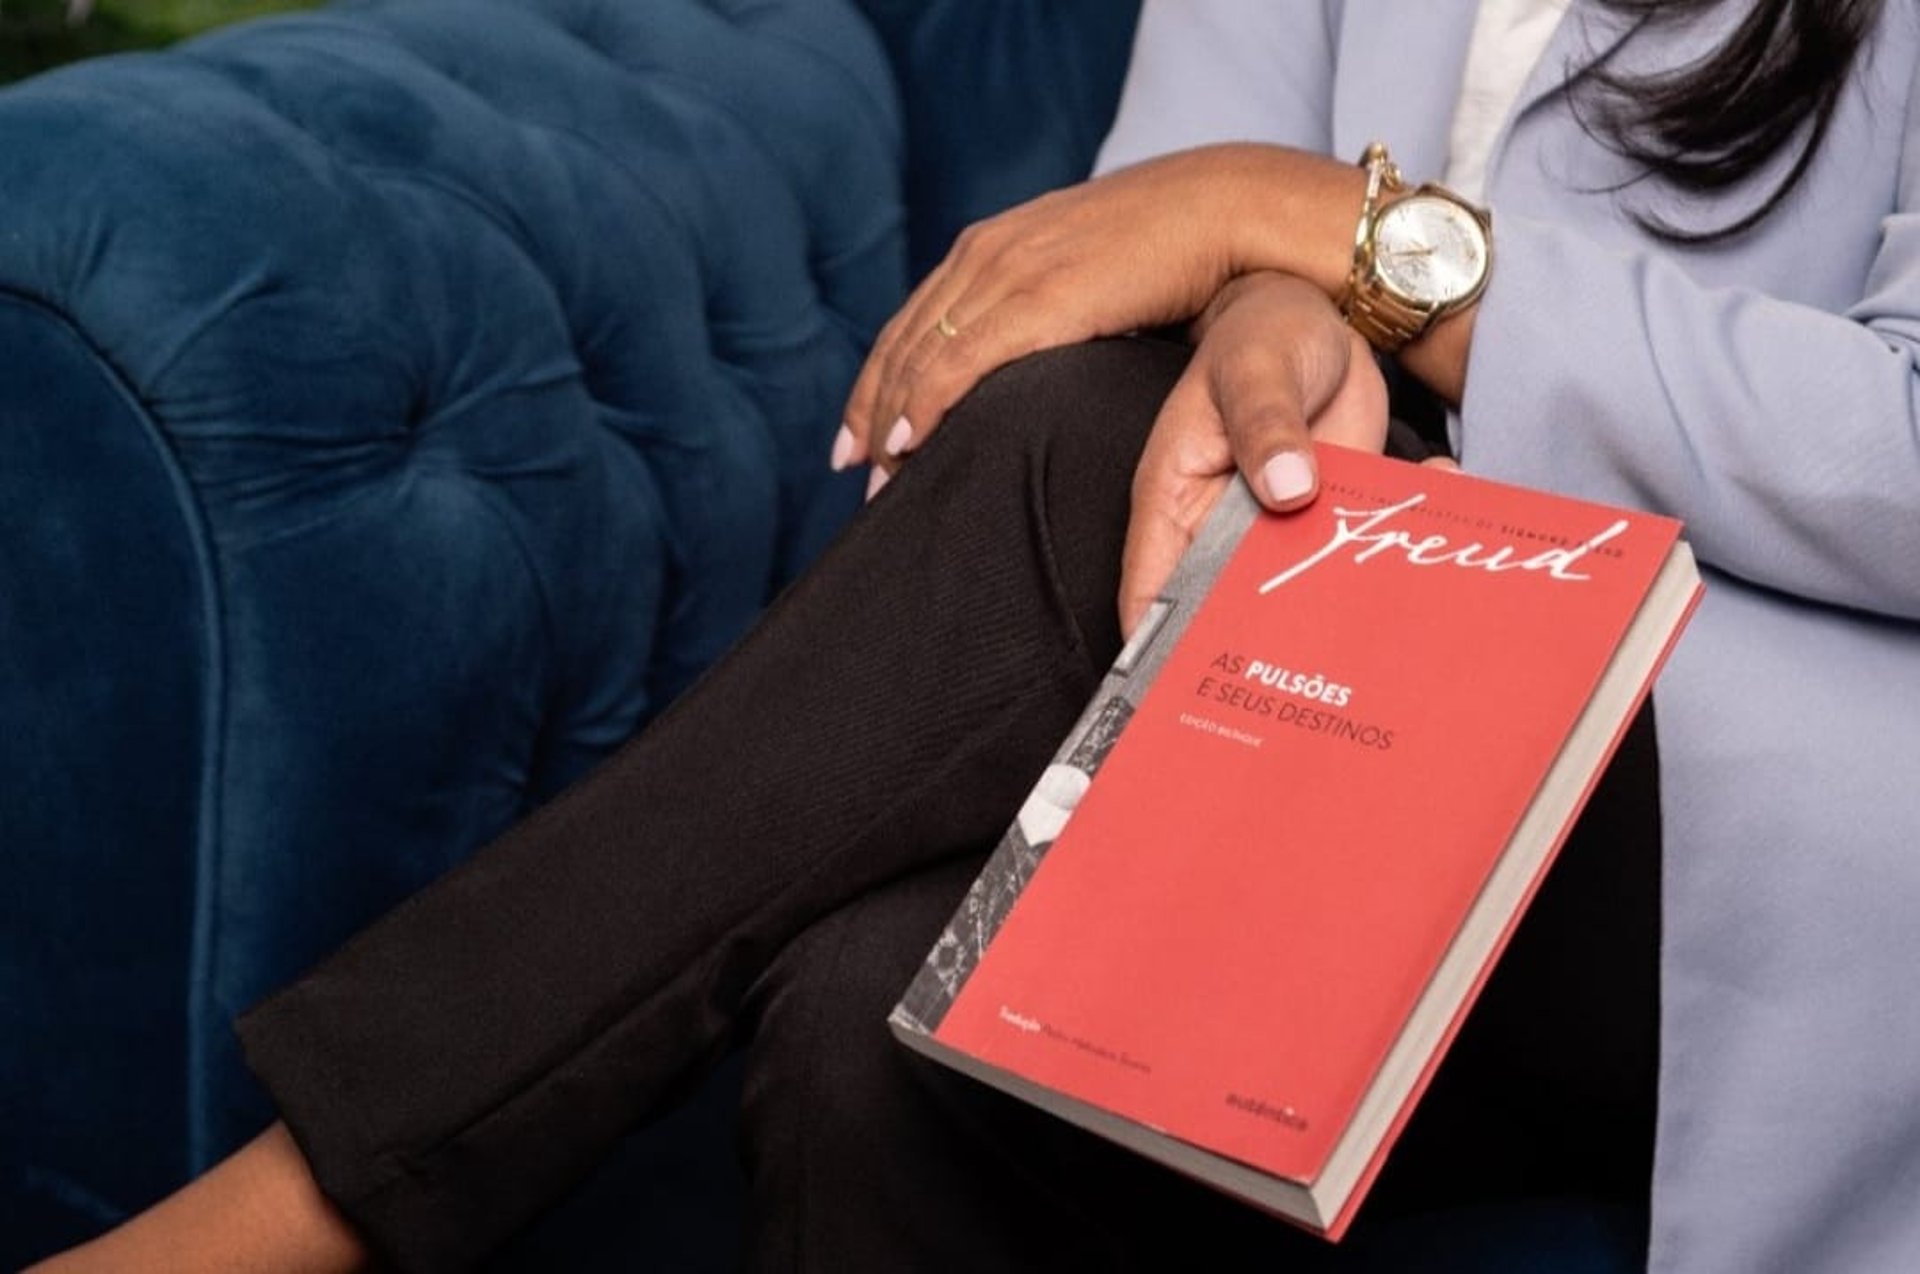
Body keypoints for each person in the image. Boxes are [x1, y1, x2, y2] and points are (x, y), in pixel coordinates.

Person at [33, 1, 1920, 1271]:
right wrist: (1266, 308)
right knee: (883, 1024)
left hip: (1747, 769)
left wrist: (1321, 235)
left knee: (1060, 451)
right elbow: (1147, 232)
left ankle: (301, 1203)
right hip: (1321, 674)